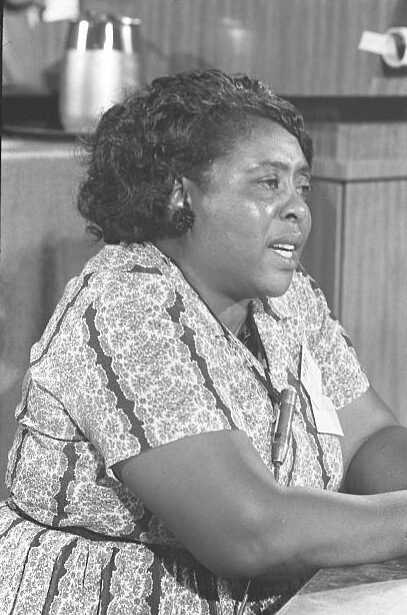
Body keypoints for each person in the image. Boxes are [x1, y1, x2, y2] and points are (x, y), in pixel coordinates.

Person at [1, 68, 407, 615]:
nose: (298, 209)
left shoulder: (290, 300)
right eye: (269, 183)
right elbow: (246, 529)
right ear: (180, 193)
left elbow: (369, 437)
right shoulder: (125, 305)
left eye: (301, 186)